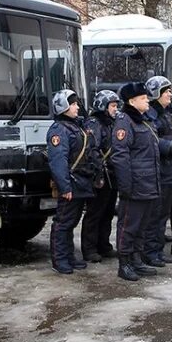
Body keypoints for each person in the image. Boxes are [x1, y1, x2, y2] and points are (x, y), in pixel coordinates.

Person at [111, 82, 163, 281]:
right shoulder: (125, 122)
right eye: (143, 98)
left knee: (142, 225)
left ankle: (136, 260)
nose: (147, 100)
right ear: (132, 101)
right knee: (128, 226)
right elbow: (120, 156)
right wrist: (126, 186)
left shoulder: (143, 122)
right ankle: (124, 264)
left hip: (148, 183)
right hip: (135, 186)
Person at [46, 89, 99, 275]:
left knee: (71, 221)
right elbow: (58, 161)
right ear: (64, 107)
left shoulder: (76, 127)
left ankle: (68, 256)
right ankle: (59, 259)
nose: (77, 107)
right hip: (71, 183)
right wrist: (65, 187)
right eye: (73, 103)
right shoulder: (59, 130)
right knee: (63, 222)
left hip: (80, 182)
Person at [143, 76, 172, 265]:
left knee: (163, 214)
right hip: (159, 172)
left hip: (170, 170)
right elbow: (151, 140)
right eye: (166, 91)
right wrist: (168, 146)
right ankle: (150, 252)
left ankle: (157, 250)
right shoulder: (151, 115)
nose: (169, 95)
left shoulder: (168, 113)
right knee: (155, 215)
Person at [80, 90, 119, 263]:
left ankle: (104, 245)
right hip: (100, 174)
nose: (115, 109)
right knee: (95, 213)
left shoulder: (111, 122)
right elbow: (92, 149)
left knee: (108, 212)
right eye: (112, 105)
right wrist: (98, 173)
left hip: (112, 173)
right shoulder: (94, 123)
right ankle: (89, 249)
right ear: (103, 106)